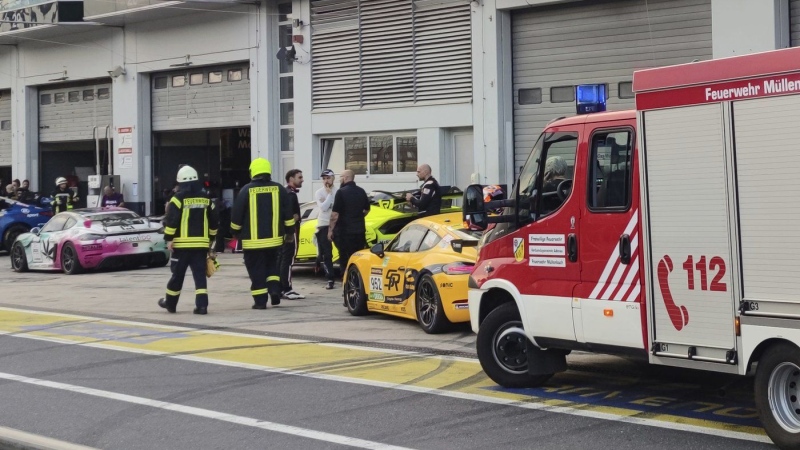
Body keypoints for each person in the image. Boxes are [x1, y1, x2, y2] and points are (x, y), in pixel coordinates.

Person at [231, 158, 295, 309]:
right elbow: (288, 215)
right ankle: (274, 291)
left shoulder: (246, 190)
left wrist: (235, 232)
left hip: (252, 243)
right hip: (275, 241)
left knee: (256, 270)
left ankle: (260, 301)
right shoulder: (279, 189)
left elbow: (236, 215)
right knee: (272, 267)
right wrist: (290, 233)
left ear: (253, 172)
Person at [158, 165, 219, 315]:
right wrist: (210, 240)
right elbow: (214, 222)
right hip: (200, 246)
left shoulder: (177, 199)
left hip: (182, 246)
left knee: (177, 276)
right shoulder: (206, 199)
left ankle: (171, 304)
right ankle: (202, 306)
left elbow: (172, 221)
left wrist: (169, 239)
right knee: (199, 276)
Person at [328, 169, 370, 306]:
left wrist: (330, 230)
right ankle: (359, 290)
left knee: (345, 263)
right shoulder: (361, 191)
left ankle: (347, 293)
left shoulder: (341, 192)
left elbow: (335, 215)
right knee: (358, 262)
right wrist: (357, 218)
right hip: (359, 232)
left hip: (345, 232)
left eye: (340, 177)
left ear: (346, 178)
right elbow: (366, 210)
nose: (339, 179)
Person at [279, 169, 305, 300]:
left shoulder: (284, 192)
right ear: (291, 179)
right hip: (291, 232)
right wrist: (294, 219)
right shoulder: (290, 195)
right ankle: (286, 288)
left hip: (284, 232)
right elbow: (290, 216)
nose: (302, 180)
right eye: (299, 177)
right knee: (288, 260)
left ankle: (280, 288)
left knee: (283, 260)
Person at [314, 169, 337, 290]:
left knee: (343, 251)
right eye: (323, 179)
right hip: (323, 224)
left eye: (328, 178)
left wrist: (329, 198)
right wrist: (329, 195)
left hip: (337, 224)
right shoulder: (319, 192)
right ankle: (330, 279)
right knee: (326, 254)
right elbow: (323, 207)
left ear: (333, 178)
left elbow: (337, 207)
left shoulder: (338, 191)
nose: (326, 181)